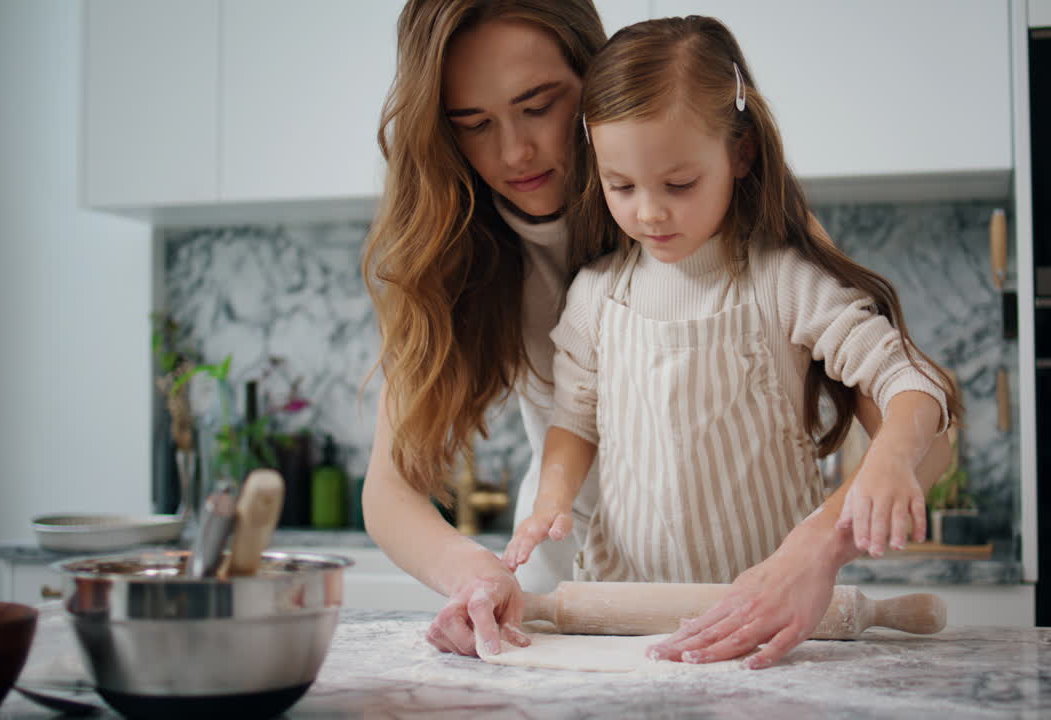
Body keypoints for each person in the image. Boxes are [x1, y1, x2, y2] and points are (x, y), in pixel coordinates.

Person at [361, 1, 952, 668]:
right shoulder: (455, 256)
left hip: (751, 591)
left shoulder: (746, 241)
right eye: (473, 125)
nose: (514, 151)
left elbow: (924, 428)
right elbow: (389, 491)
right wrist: (470, 570)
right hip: (578, 601)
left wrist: (815, 549)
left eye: (538, 105)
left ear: (595, 82)